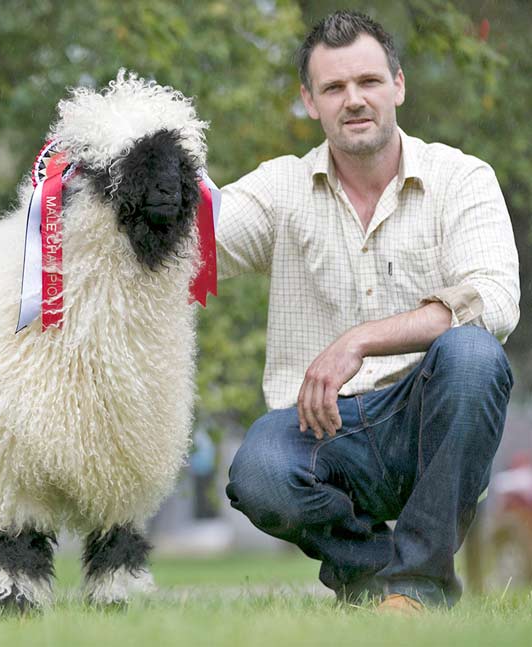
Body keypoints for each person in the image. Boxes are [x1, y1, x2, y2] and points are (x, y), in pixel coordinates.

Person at [219, 10, 520, 611]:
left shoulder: (462, 178)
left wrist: (359, 340)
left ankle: (417, 588)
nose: (353, 100)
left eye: (369, 82)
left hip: (427, 418)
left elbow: (494, 301)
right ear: (309, 100)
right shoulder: (279, 187)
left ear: (398, 85)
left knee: (473, 353)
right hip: (323, 431)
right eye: (333, 88)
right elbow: (194, 239)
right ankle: (374, 575)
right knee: (257, 470)